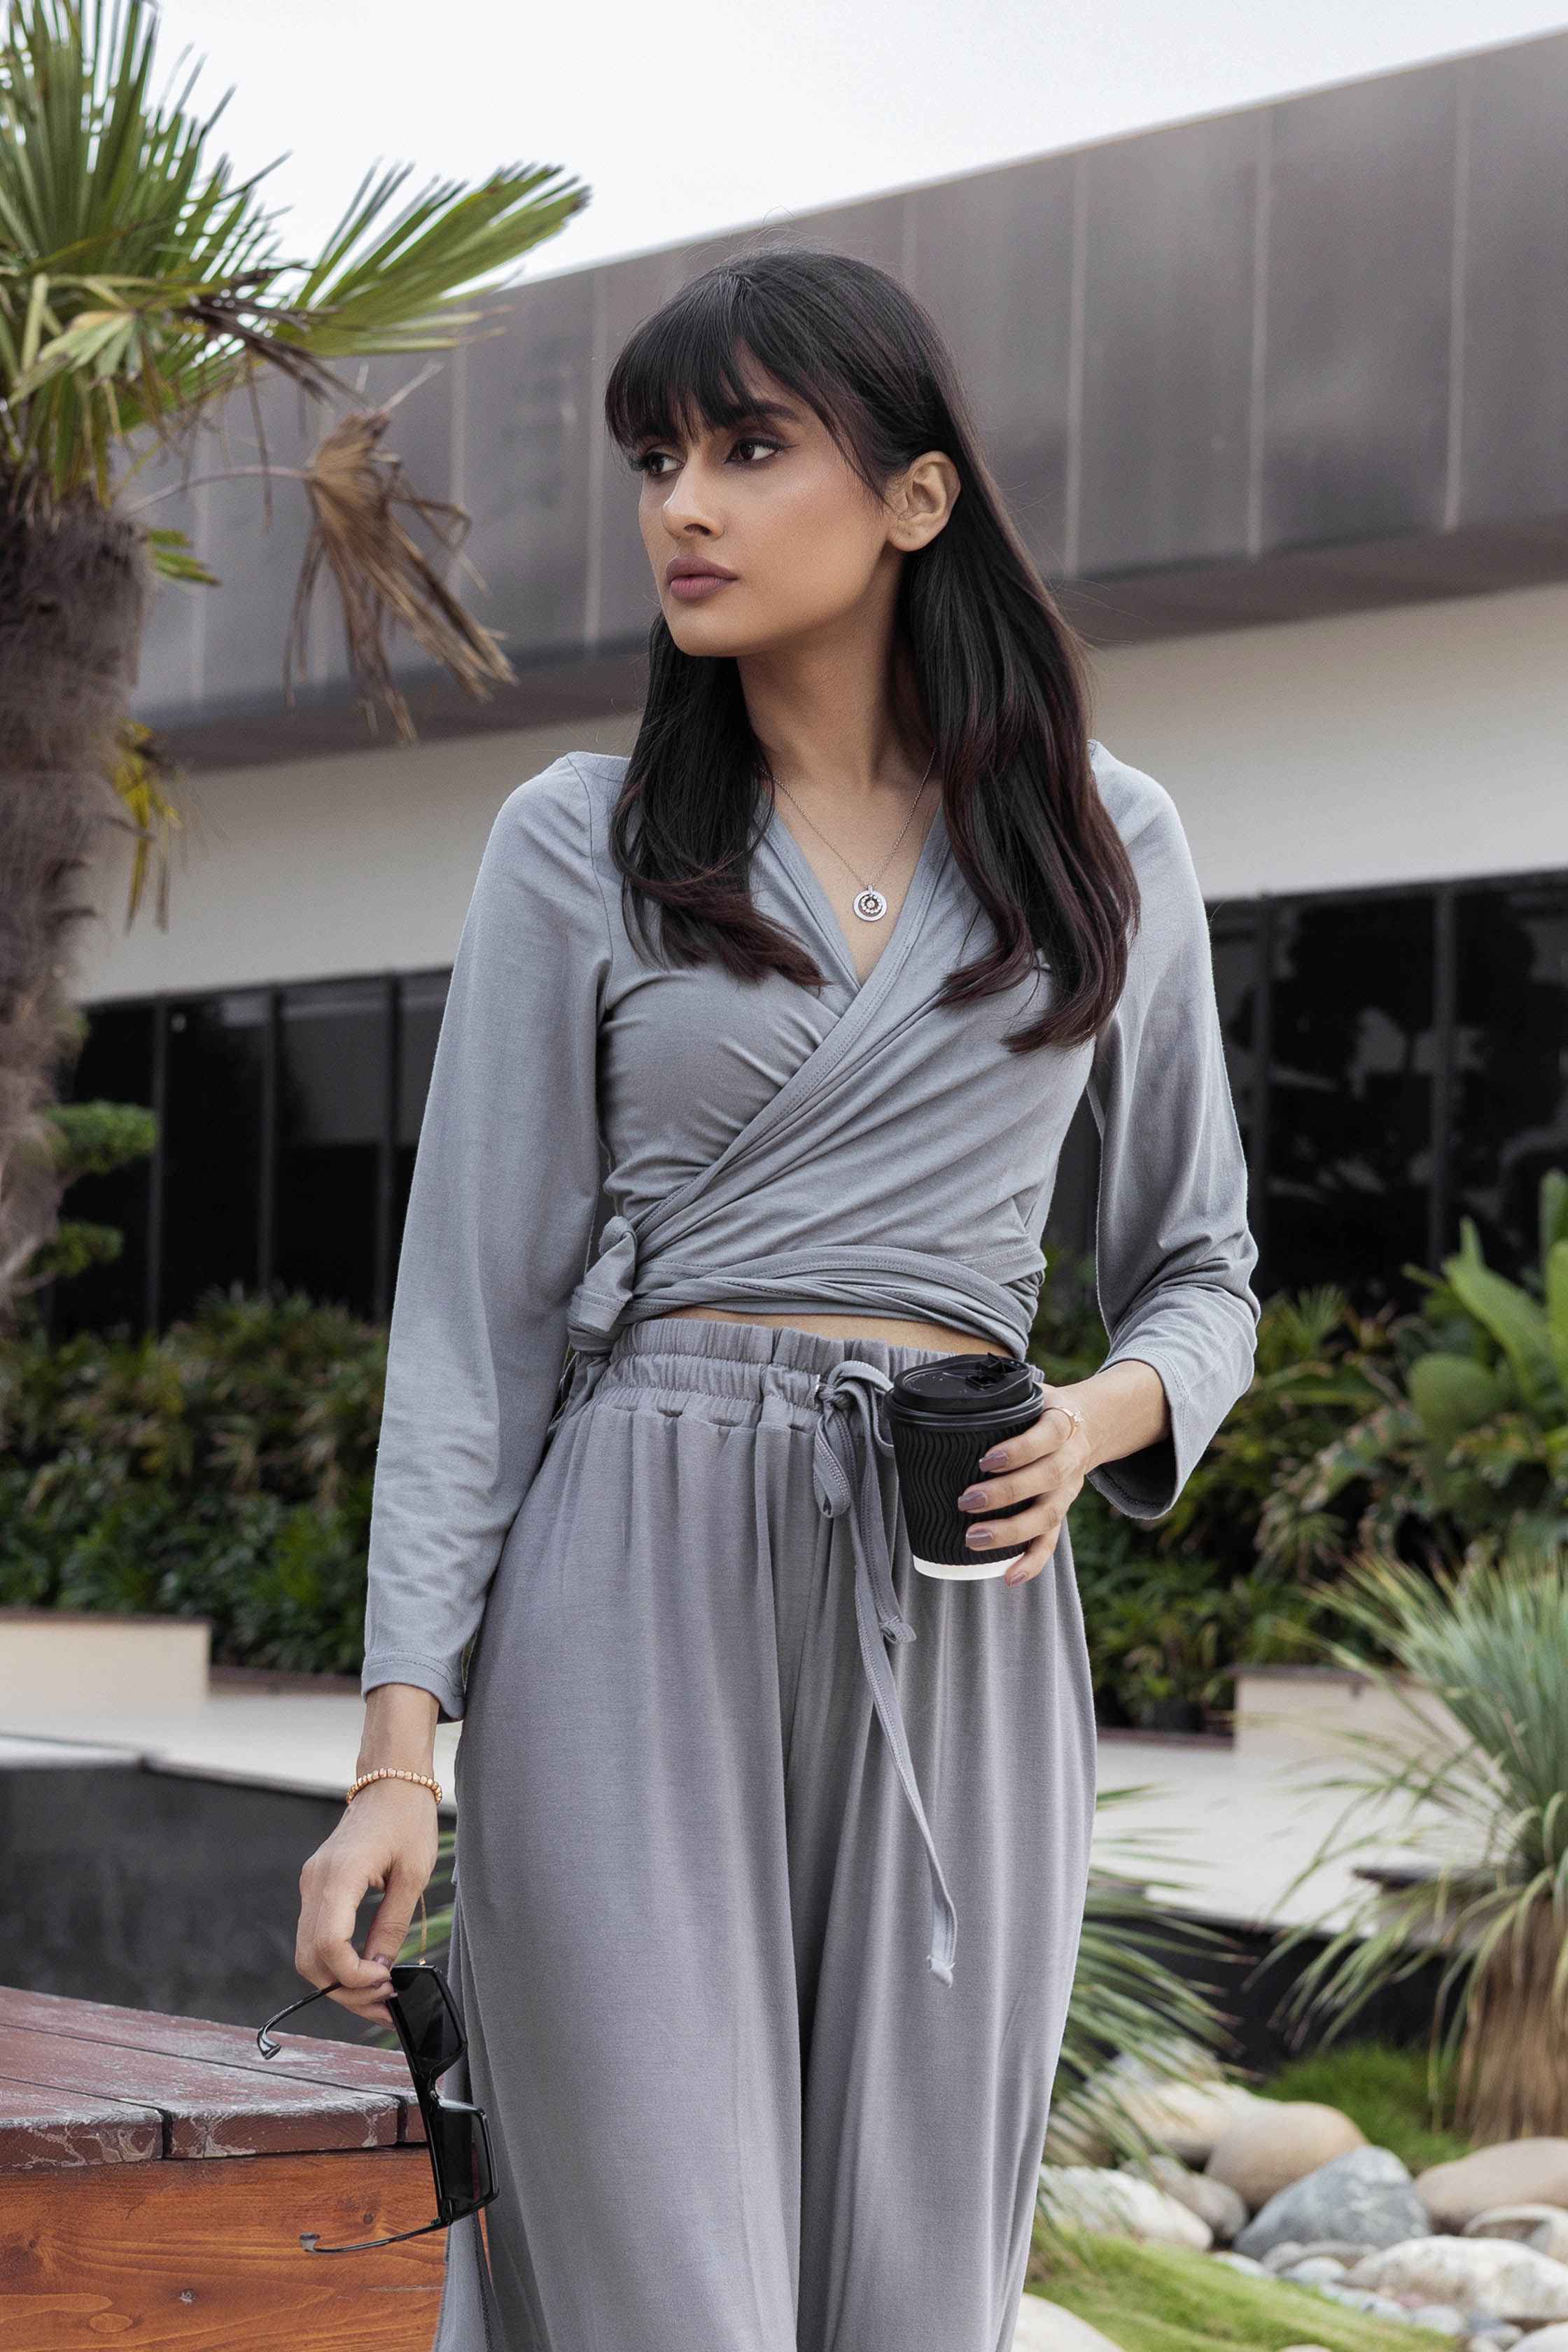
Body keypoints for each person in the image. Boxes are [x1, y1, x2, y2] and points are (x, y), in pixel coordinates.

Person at [293, 242, 1261, 2351]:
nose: (683, 509)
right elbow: (475, 1320)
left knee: (919, 2292)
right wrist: (398, 1758)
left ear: (915, 500)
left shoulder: (1114, 843)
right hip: (631, 1584)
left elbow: (1200, 1270)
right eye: (662, 459)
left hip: (968, 1604)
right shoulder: (587, 842)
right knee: (658, 2283)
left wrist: (1089, 1426)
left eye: (750, 449)